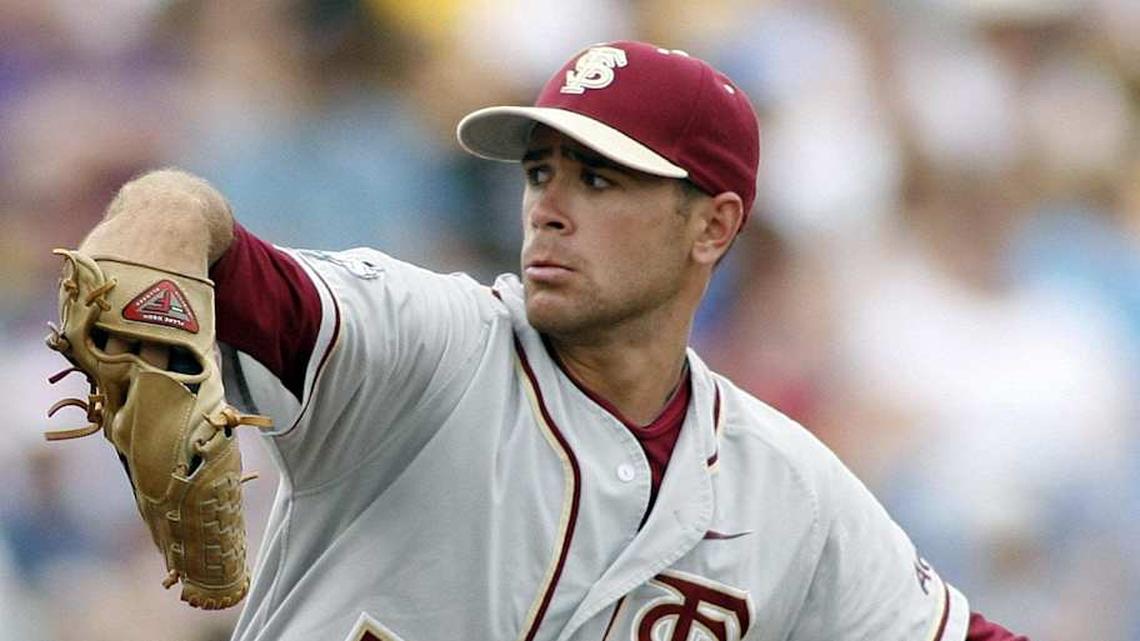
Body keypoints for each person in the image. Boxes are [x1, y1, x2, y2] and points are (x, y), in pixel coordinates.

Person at [69, 41, 1026, 641]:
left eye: (599, 180)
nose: (548, 209)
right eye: (539, 170)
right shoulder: (431, 342)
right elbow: (209, 244)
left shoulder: (789, 492)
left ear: (714, 225)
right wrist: (161, 209)